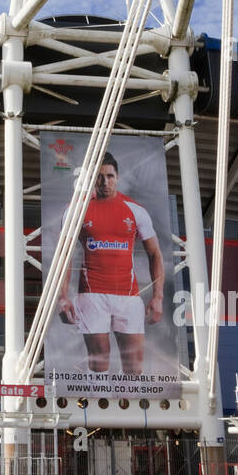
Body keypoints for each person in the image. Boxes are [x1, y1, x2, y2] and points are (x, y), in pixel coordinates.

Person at [57, 152, 164, 377]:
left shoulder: (135, 210)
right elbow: (64, 256)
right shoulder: (76, 209)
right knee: (99, 365)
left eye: (110, 176)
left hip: (129, 296)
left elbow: (155, 254)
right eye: (99, 177)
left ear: (117, 176)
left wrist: (157, 297)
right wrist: (62, 297)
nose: (105, 182)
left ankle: (131, 411)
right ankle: (96, 410)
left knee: (134, 368)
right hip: (92, 295)